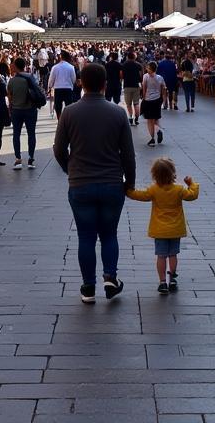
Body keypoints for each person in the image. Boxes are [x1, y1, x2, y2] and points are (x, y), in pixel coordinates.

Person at [53, 62, 135, 304]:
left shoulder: (69, 112)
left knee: (86, 236)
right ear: (105, 84)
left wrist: (70, 169)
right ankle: (110, 276)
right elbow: (128, 154)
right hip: (111, 183)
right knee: (109, 234)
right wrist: (128, 183)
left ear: (81, 83)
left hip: (80, 184)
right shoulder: (118, 113)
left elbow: (58, 149)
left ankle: (88, 287)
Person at [126, 157, 199, 295]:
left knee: (161, 256)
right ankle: (172, 278)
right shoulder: (179, 189)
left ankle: (162, 282)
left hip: (159, 230)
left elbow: (139, 195)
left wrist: (128, 191)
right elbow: (192, 195)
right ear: (173, 173)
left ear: (154, 175)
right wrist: (192, 183)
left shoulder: (154, 190)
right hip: (175, 229)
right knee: (173, 254)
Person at [6, 57, 39, 169]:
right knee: (31, 133)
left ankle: (18, 158)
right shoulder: (30, 77)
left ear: (15, 66)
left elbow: (9, 97)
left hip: (16, 110)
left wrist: (10, 109)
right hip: (30, 109)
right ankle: (31, 158)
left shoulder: (12, 80)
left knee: (16, 133)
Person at [140, 61, 166, 147]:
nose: (146, 68)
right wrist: (163, 100)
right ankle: (158, 130)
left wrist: (143, 98)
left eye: (147, 67)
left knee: (149, 120)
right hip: (157, 100)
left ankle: (152, 139)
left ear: (150, 69)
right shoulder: (160, 77)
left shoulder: (145, 76)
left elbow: (144, 88)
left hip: (148, 100)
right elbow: (163, 89)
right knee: (156, 118)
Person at [50, 49, 78, 119]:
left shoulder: (55, 67)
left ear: (61, 57)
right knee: (69, 106)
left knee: (58, 106)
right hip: (68, 88)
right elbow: (73, 79)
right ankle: (68, 119)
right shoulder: (71, 67)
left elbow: (51, 79)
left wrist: (50, 86)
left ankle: (59, 120)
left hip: (58, 88)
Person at [121, 50, 143, 126]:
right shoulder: (138, 65)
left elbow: (121, 75)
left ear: (127, 57)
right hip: (136, 85)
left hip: (127, 85)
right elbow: (141, 76)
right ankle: (137, 118)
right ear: (134, 57)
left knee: (128, 104)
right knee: (136, 103)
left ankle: (130, 117)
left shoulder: (124, 65)